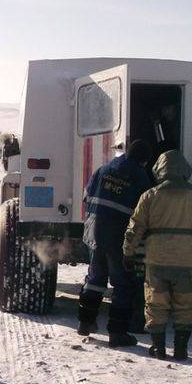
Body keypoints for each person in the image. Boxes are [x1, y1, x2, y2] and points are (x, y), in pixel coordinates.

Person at [122, 149, 192, 360]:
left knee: (156, 303)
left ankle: (158, 347)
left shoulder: (150, 196)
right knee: (185, 304)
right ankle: (181, 348)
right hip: (187, 259)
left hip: (157, 258)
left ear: (159, 170)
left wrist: (128, 252)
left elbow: (135, 228)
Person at [77, 139, 153, 347]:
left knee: (95, 278)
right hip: (118, 236)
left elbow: (86, 196)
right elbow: (144, 210)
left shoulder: (103, 169)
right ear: (144, 160)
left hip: (94, 232)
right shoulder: (140, 176)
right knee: (122, 284)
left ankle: (85, 322)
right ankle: (117, 333)